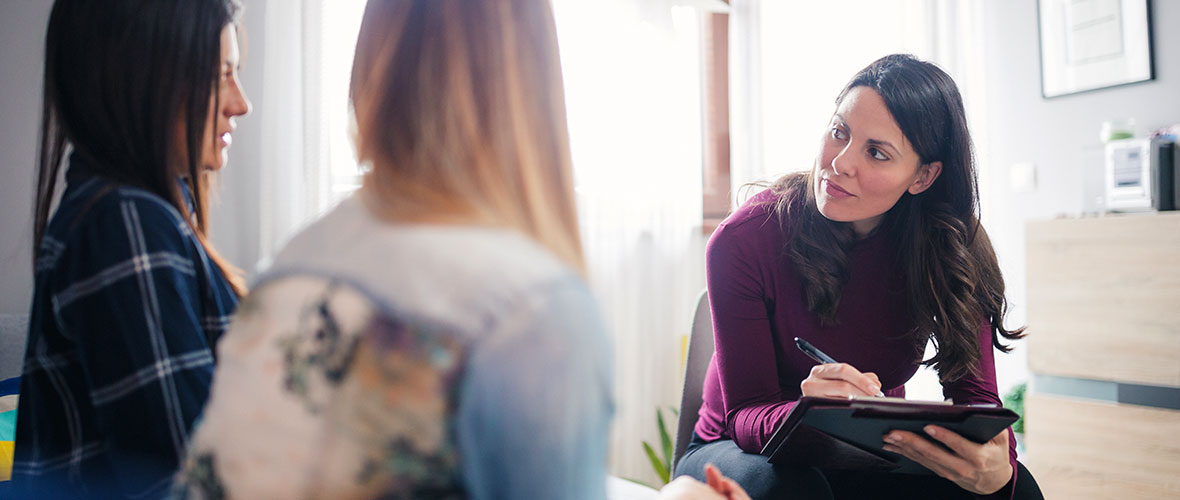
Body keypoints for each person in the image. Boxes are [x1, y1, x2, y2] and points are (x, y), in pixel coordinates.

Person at [674, 54, 1044, 500]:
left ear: (923, 176)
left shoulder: (951, 246)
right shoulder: (745, 239)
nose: (839, 163)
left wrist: (995, 468)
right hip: (734, 448)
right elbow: (746, 413)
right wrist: (805, 414)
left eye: (876, 152)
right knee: (794, 489)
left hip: (863, 451)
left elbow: (976, 400)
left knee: (1014, 488)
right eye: (839, 132)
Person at [11, 0, 251, 498]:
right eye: (219, 75)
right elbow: (188, 479)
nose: (239, 102)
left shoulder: (135, 215)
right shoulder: (123, 224)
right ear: (145, 81)